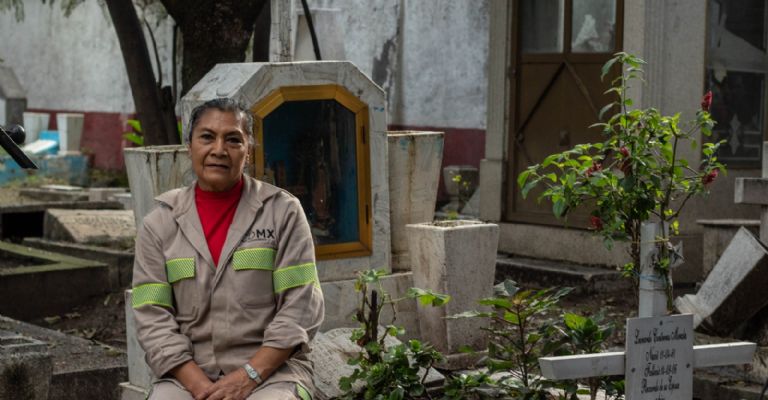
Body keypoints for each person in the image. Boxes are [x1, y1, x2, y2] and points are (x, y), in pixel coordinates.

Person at [132, 97, 324, 400]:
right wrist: (200, 387)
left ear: (247, 151)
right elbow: (152, 318)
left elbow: (300, 308)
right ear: (190, 146)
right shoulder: (159, 224)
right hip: (187, 375)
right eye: (207, 137)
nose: (219, 150)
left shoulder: (283, 212)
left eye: (233, 139)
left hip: (273, 373)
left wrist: (247, 376)